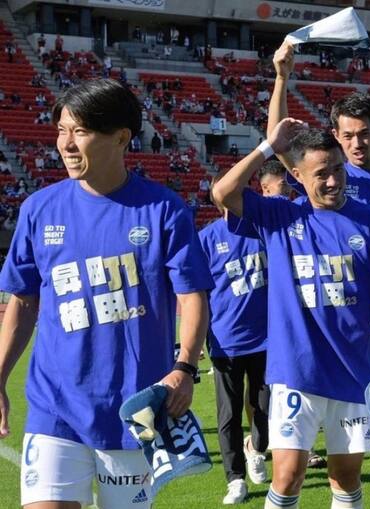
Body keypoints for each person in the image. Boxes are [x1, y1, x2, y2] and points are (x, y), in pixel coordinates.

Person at [0, 78, 213, 509]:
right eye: (61, 130)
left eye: (80, 132)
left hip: (132, 412)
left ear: (121, 138)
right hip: (53, 406)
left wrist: (185, 368)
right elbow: (22, 301)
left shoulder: (163, 209)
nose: (65, 144)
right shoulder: (38, 210)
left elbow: (193, 297)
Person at [213, 120, 370, 509]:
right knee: (288, 475)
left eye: (337, 169)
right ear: (296, 175)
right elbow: (224, 192)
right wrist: (266, 147)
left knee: (345, 478)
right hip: (296, 371)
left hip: (353, 373)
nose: (332, 181)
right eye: (320, 174)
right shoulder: (280, 216)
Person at [269, 42, 370, 493]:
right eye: (347, 136)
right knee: (344, 459)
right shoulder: (330, 175)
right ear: (336, 140)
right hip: (348, 323)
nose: (356, 144)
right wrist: (282, 78)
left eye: (364, 134)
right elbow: (282, 146)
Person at [199, 175, 270, 505]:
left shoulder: (264, 231)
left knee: (265, 409)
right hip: (226, 341)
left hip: (268, 339)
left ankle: (255, 448)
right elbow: (195, 294)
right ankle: (235, 479)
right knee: (228, 415)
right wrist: (198, 338)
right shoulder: (207, 240)